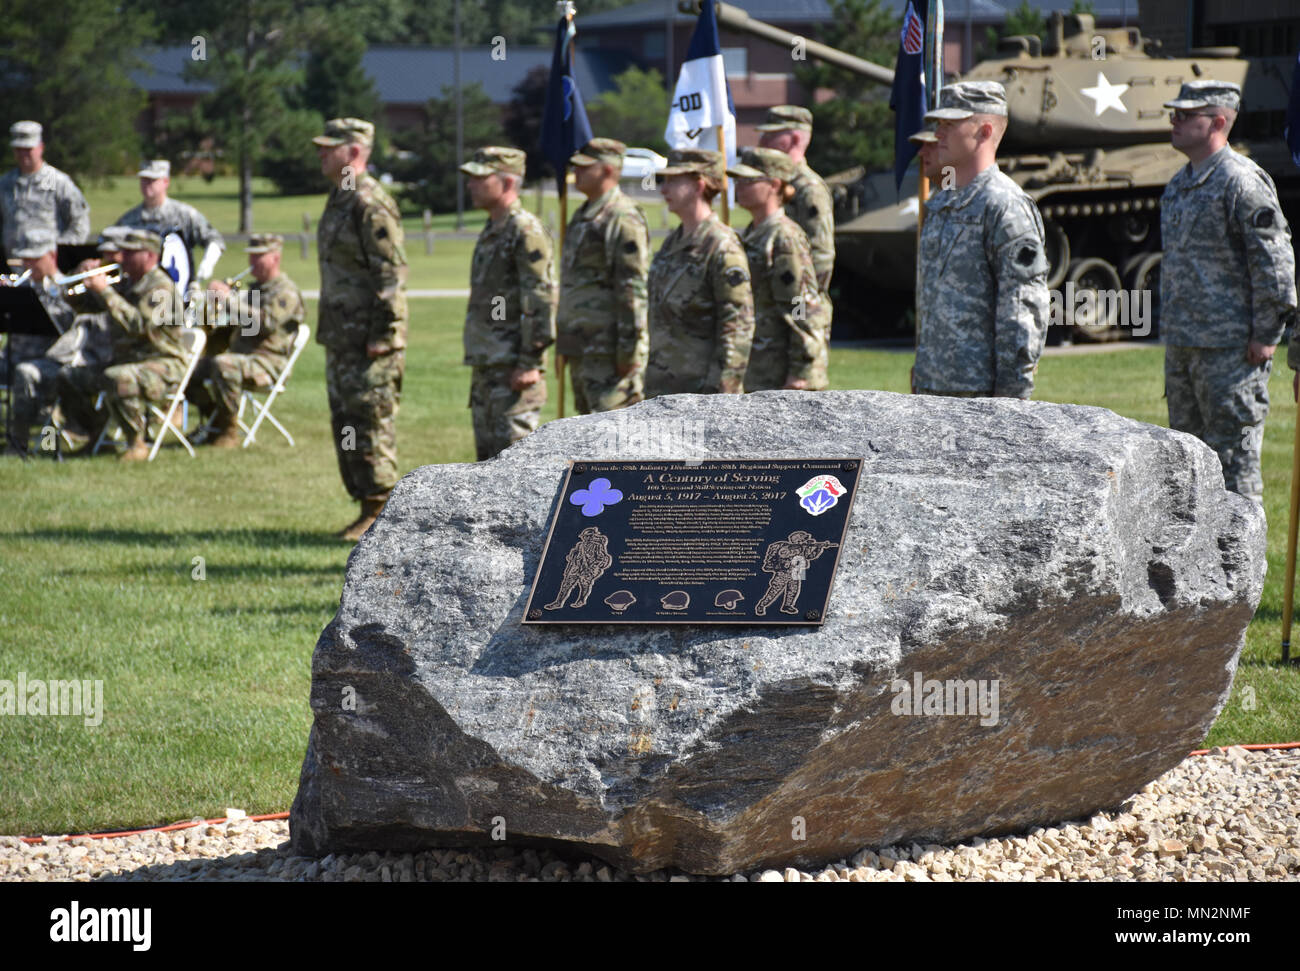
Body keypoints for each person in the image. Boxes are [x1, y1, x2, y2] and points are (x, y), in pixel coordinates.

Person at [1160, 81, 1297, 505]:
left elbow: (1274, 263)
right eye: (1174, 113)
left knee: (1234, 476)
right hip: (1185, 349)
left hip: (1233, 355)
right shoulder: (1179, 185)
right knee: (1186, 474)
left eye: (1186, 115)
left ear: (1218, 122)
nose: (1174, 121)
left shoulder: (1241, 181)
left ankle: (1241, 569)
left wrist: (1267, 334)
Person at [912, 81, 1048, 399]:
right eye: (938, 124)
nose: (938, 133)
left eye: (950, 124)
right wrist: (922, 369)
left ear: (984, 131)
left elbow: (1023, 307)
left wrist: (1011, 396)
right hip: (933, 386)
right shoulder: (942, 202)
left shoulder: (1004, 204)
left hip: (980, 394)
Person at [314, 117, 409, 540]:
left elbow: (391, 274)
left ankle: (381, 509)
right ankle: (364, 505)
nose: (320, 152)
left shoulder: (369, 202)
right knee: (348, 422)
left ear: (354, 152)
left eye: (329, 146)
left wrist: (384, 335)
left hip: (369, 343)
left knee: (370, 421)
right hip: (342, 336)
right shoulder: (340, 197)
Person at [459, 146, 556, 459]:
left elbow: (541, 297)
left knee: (514, 469)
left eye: (479, 178)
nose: (470, 185)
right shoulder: (493, 229)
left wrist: (530, 362)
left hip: (514, 371)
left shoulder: (524, 230)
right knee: (486, 469)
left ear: (508, 182)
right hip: (490, 365)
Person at [56, 229, 187, 461]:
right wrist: (80, 277)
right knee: (68, 377)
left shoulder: (161, 288)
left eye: (131, 252)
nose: (123, 257)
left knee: (117, 377)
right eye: (124, 251)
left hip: (161, 364)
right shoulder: (124, 283)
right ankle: (98, 433)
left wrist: (105, 291)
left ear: (150, 256)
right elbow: (81, 305)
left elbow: (139, 325)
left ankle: (136, 443)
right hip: (126, 361)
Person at [644, 148, 754, 397]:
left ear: (698, 185)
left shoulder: (721, 246)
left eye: (673, 181)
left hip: (703, 393)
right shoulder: (672, 242)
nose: (663, 189)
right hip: (663, 386)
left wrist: (724, 390)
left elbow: (737, 325)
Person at [558, 138, 649, 414]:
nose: (578, 173)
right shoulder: (583, 214)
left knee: (613, 443)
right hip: (582, 347)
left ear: (608, 170)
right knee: (585, 439)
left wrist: (629, 351)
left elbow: (632, 288)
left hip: (610, 352)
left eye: (586, 167)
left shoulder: (622, 217)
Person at [189, 234, 306, 447]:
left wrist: (229, 301)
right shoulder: (254, 290)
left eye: (259, 257)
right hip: (242, 358)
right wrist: (213, 308)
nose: (252, 263)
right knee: (187, 369)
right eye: (251, 257)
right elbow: (234, 321)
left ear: (275, 258)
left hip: (268, 363)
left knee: (224, 365)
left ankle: (228, 431)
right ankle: (214, 420)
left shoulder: (285, 292)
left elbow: (266, 323)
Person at [727, 146, 828, 392]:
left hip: (782, 375)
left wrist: (800, 372)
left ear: (774, 184)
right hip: (760, 369)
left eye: (748, 180)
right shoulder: (753, 233)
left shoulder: (784, 237)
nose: (738, 186)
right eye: (737, 180)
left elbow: (800, 305)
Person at [756, 106, 835, 295]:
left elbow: (820, 256)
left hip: (796, 303)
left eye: (771, 135)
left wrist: (799, 310)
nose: (762, 142)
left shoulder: (809, 188)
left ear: (795, 140)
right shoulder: (778, 182)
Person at [0, 121, 90, 258]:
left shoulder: (58, 181)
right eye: (19, 149)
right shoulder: (5, 184)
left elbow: (80, 223)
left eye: (28, 149)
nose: (23, 154)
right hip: (12, 266)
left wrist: (60, 253)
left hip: (48, 268)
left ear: (40, 148)